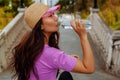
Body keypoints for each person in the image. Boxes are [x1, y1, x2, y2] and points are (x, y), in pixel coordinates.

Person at [11, 2, 95, 80]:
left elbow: (44, 62)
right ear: (40, 25)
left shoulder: (30, 47)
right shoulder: (52, 55)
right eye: (50, 15)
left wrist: (65, 59)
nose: (55, 18)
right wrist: (83, 36)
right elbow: (88, 68)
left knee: (65, 76)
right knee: (66, 76)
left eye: (54, 14)